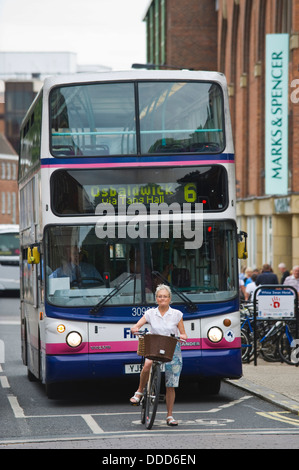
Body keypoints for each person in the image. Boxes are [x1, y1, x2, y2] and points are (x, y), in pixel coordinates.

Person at [130, 284, 187, 426]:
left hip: (172, 348)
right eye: (160, 296)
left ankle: (169, 416)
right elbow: (137, 325)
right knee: (147, 363)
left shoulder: (177, 314)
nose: (162, 299)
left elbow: (183, 332)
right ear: (156, 299)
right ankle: (139, 392)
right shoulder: (150, 313)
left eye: (165, 296)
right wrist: (135, 328)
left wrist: (184, 337)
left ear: (169, 299)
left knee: (170, 383)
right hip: (155, 346)